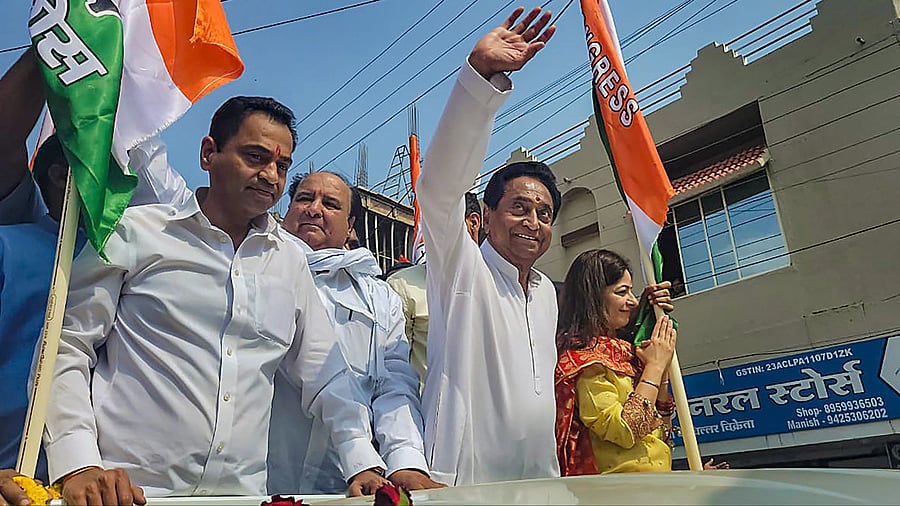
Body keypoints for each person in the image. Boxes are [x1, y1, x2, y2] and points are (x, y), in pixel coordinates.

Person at [44, 97, 373, 504]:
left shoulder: (289, 261)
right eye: (255, 157)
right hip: (129, 494)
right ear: (208, 153)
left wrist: (362, 460)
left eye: (282, 166)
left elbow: (326, 375)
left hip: (242, 497)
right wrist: (78, 462)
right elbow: (64, 347)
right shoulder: (136, 233)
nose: (270, 175)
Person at [416, 6, 559, 486]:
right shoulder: (462, 269)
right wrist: (479, 82)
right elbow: (438, 188)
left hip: (540, 485)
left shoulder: (546, 293)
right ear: (487, 217)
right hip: (462, 483)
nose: (532, 222)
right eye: (519, 207)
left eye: (544, 213)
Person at [270, 171, 441, 496]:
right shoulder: (258, 269)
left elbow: (394, 384)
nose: (314, 209)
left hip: (353, 482)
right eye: (304, 199)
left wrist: (405, 461)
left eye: (330, 203)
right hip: (264, 478)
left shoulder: (378, 297)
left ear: (350, 227)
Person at [555, 249, 678, 475]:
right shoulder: (584, 361)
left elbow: (662, 429)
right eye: (622, 292)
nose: (631, 301)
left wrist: (662, 373)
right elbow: (625, 430)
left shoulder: (628, 354)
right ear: (593, 297)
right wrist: (655, 367)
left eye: (631, 292)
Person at [386, 192, 482, 391]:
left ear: (473, 223)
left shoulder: (499, 283)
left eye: (442, 221)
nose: (432, 232)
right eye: (428, 224)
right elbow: (393, 371)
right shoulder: (402, 286)